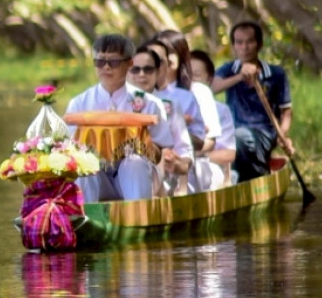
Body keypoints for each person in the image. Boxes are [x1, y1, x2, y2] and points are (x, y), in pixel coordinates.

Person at [65, 33, 181, 203]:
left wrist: (140, 145)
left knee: (134, 163)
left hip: (136, 174)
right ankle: (83, 220)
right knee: (84, 167)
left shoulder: (150, 103)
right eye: (100, 62)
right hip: (98, 176)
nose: (106, 68)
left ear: (129, 63)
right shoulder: (79, 103)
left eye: (113, 62)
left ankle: (138, 218)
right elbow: (68, 153)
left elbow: (158, 154)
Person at [214, 21, 294, 182]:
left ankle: (256, 175)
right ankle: (245, 175)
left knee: (240, 137)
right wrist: (240, 77)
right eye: (239, 42)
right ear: (234, 46)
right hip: (234, 133)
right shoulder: (229, 70)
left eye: (250, 42)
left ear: (259, 44)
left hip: (264, 134)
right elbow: (212, 87)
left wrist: (283, 135)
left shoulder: (276, 74)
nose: (245, 47)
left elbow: (286, 112)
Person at [131, 44, 196, 193]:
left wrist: (174, 162)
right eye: (135, 69)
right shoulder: (117, 105)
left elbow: (185, 156)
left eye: (148, 69)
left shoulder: (170, 106)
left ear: (158, 71)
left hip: (164, 183)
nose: (141, 74)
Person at [183, 48, 237, 189]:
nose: (190, 81)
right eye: (186, 74)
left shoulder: (221, 110)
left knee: (199, 169)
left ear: (209, 79)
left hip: (210, 168)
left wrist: (195, 155)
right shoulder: (173, 103)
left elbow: (229, 154)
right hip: (181, 167)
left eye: (196, 75)